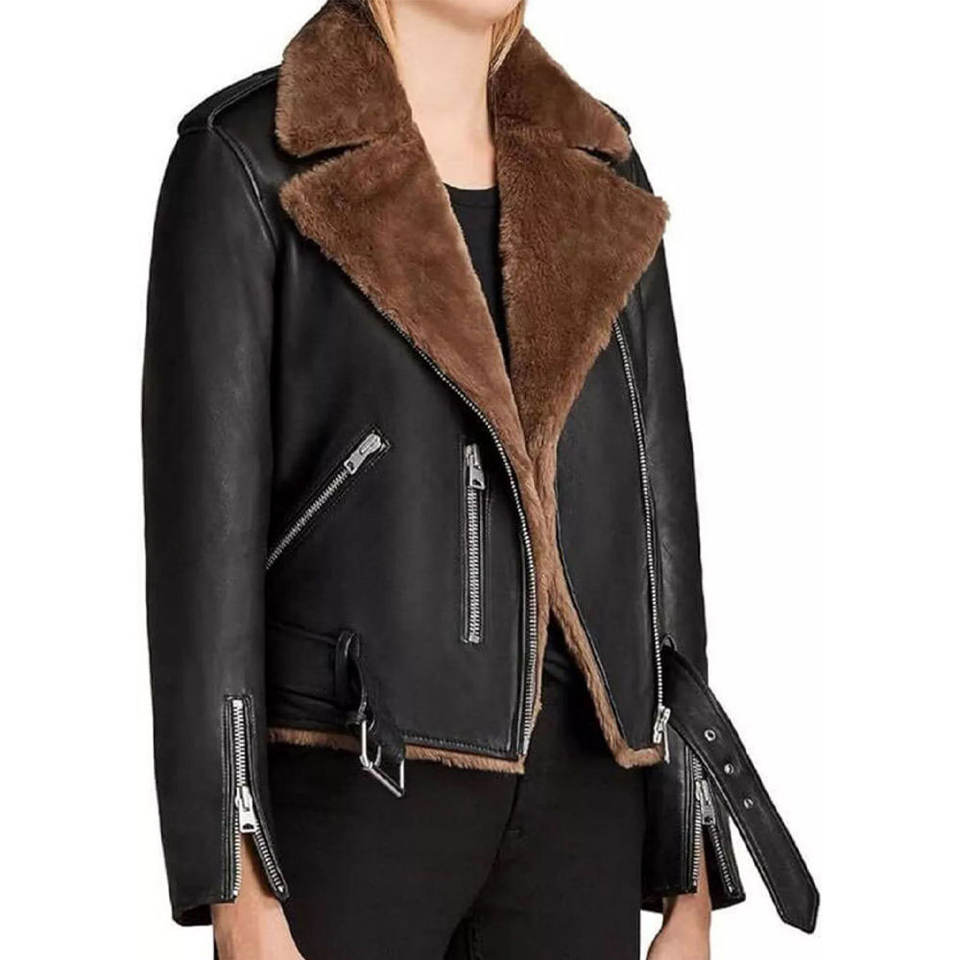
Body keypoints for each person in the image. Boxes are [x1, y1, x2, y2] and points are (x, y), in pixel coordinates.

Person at [143, 2, 817, 958]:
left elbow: (661, 529)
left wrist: (690, 868)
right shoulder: (250, 161)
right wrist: (236, 882)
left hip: (585, 795)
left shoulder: (600, 164)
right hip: (356, 783)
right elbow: (200, 564)